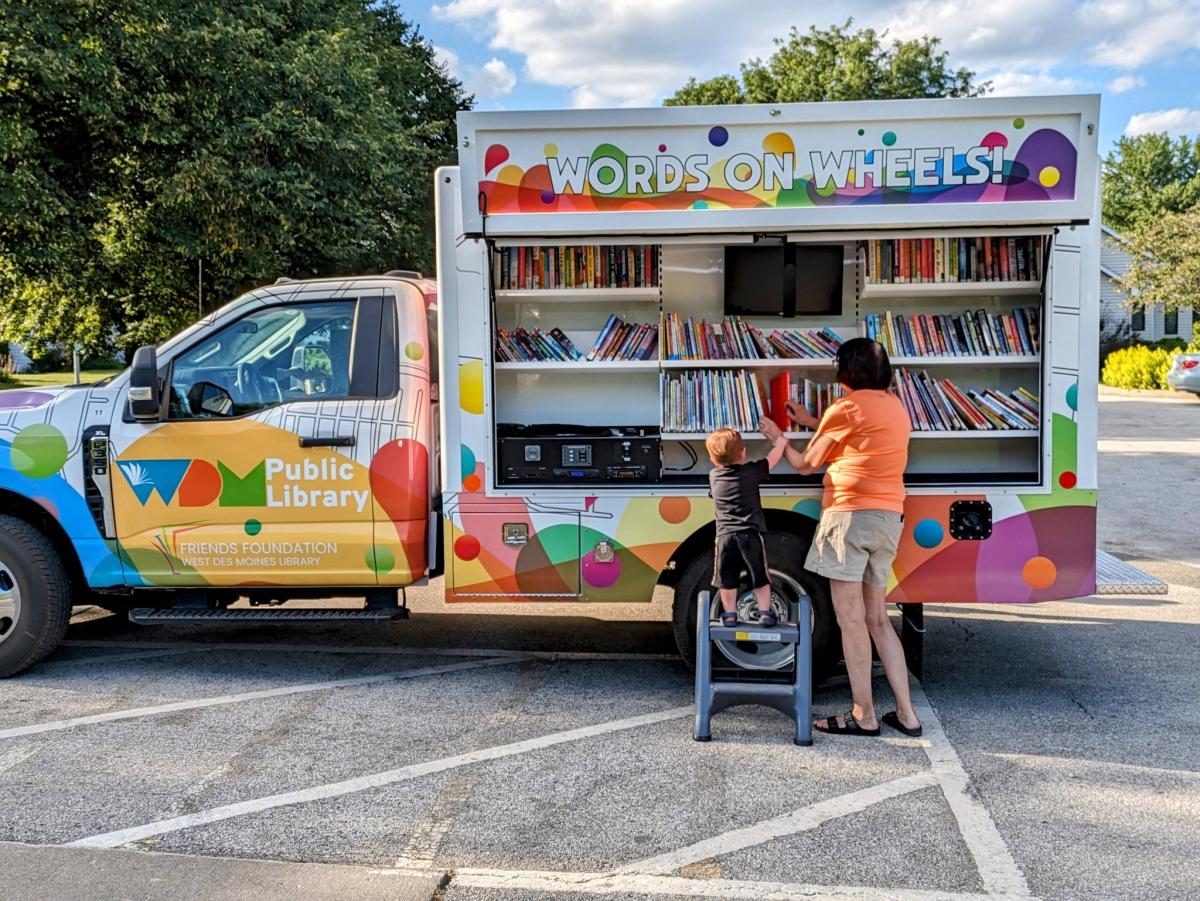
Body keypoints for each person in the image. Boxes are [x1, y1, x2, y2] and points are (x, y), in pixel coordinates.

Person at [758, 338, 922, 738]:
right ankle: (907, 714)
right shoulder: (896, 406)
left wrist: (779, 436)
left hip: (849, 517)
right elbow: (864, 438)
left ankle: (863, 714)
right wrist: (816, 422)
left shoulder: (845, 408)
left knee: (850, 622)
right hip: (887, 518)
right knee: (878, 619)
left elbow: (805, 465)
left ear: (847, 372)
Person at [705, 427, 790, 627]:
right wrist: (781, 444)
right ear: (743, 453)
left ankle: (730, 615)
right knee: (759, 574)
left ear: (713, 460)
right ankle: (764, 613)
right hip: (749, 534)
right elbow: (771, 460)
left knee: (726, 577)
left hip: (725, 536)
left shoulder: (714, 476)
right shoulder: (751, 473)